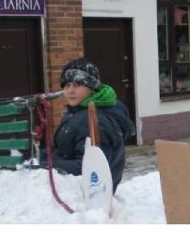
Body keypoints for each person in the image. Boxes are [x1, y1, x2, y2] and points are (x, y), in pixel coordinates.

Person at [51, 58, 135, 192]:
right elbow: (59, 149)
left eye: (77, 85)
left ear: (92, 87)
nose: (70, 91)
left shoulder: (95, 119)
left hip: (91, 195)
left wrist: (48, 165)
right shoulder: (77, 112)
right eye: (67, 85)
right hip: (74, 189)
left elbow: (90, 168)